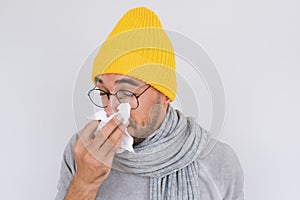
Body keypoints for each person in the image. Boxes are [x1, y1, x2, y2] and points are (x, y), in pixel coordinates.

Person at [55, 7, 244, 200]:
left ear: (164, 95)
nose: (110, 109)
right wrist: (84, 183)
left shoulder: (219, 162)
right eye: (103, 92)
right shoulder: (82, 152)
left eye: (126, 93)